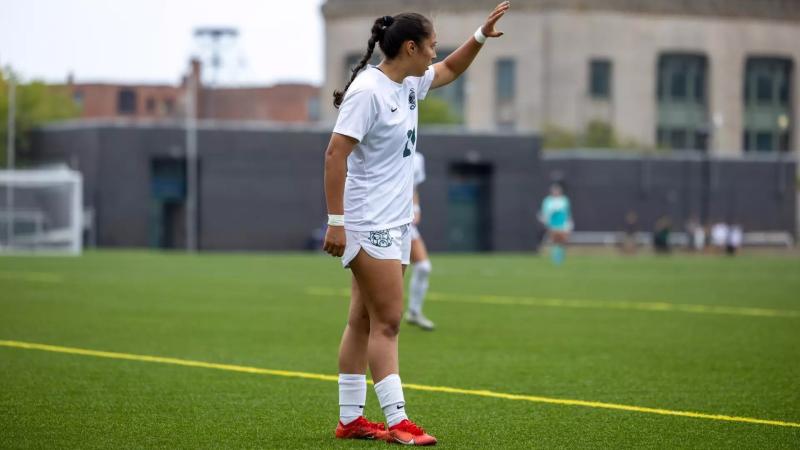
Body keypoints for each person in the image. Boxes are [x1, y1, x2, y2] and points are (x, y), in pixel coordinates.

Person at [322, 3, 510, 445]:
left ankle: (351, 420)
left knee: (362, 321)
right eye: (430, 45)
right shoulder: (369, 91)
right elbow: (335, 155)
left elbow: (448, 70)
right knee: (387, 322)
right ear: (410, 47)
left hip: (396, 220)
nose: (434, 53)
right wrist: (336, 222)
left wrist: (480, 36)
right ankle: (398, 421)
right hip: (370, 222)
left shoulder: (407, 80)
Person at [405, 151, 435, 331]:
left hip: (405, 221)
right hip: (383, 219)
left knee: (423, 267)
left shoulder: (417, 158)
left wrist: (416, 207)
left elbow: (413, 188)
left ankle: (414, 312)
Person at [539, 183, 573, 265]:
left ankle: (560, 256)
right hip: (553, 224)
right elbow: (545, 213)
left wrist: (569, 223)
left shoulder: (564, 200)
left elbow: (567, 213)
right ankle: (556, 258)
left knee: (562, 241)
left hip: (562, 224)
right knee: (555, 241)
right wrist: (546, 222)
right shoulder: (548, 201)